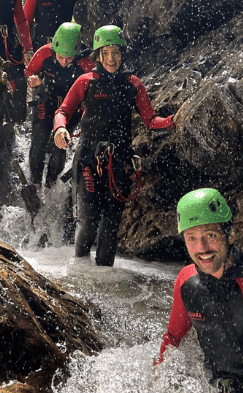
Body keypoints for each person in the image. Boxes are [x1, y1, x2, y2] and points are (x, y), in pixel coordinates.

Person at [53, 25, 174, 266]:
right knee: (87, 221)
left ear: (122, 54)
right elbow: (63, 111)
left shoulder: (133, 84)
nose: (111, 58)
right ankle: (79, 272)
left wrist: (174, 121)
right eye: (105, 52)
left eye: (116, 53)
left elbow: (150, 121)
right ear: (97, 55)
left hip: (120, 162)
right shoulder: (85, 81)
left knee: (110, 224)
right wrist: (60, 128)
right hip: (88, 158)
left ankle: (105, 278)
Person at [154, 188, 243, 393]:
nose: (202, 248)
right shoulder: (186, 281)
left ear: (231, 234)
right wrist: (156, 382)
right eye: (191, 238)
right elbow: (172, 339)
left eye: (210, 235)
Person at [24, 22, 95, 190]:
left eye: (68, 58)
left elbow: (91, 95)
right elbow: (29, 71)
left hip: (70, 107)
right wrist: (34, 80)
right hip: (46, 99)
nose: (63, 62)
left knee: (59, 148)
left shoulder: (86, 63)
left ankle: (49, 186)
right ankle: (35, 183)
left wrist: (86, 113)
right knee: (39, 140)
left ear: (77, 52)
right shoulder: (44, 52)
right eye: (60, 56)